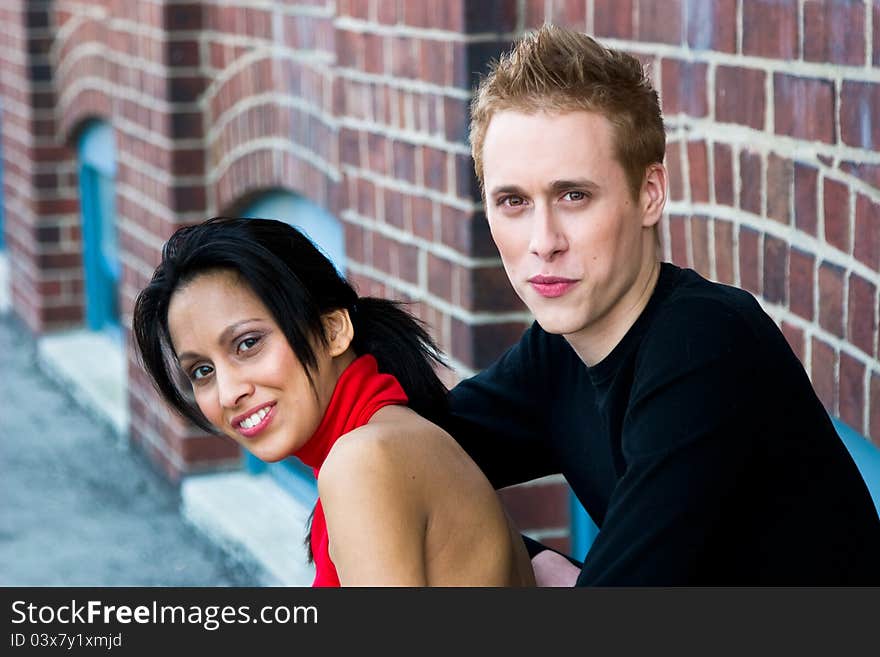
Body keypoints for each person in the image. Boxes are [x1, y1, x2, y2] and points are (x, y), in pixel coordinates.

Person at [442, 24, 880, 585]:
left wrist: (538, 569)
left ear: (650, 193)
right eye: (513, 201)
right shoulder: (556, 356)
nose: (543, 240)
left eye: (573, 195)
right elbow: (407, 454)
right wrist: (526, 557)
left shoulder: (705, 346)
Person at [132, 217, 534, 587]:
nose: (227, 392)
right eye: (202, 371)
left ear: (332, 331)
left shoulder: (364, 460)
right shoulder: (393, 438)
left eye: (248, 344)